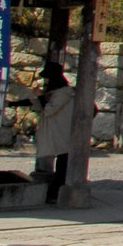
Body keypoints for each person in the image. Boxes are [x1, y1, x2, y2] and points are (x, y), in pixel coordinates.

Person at [35, 70, 75, 205]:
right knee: (63, 163)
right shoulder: (67, 93)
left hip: (62, 132)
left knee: (63, 165)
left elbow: (50, 110)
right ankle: (55, 192)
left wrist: (43, 99)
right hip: (65, 132)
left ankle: (55, 194)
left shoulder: (61, 95)